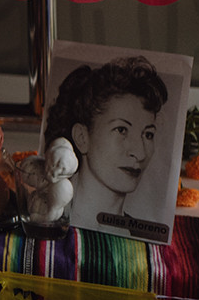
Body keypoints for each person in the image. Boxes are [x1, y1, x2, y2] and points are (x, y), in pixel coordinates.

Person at [43, 57, 169, 225]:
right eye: (121, 130)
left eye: (148, 135)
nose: (139, 153)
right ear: (82, 137)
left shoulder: (138, 233)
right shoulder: (47, 219)